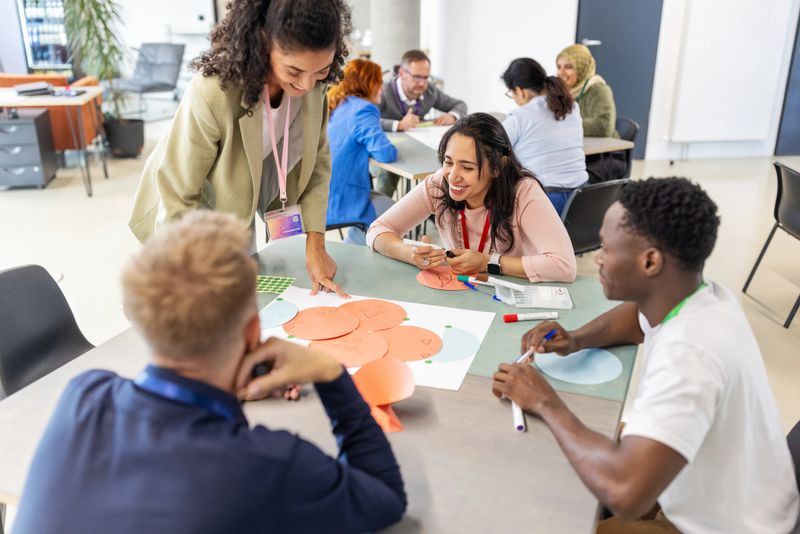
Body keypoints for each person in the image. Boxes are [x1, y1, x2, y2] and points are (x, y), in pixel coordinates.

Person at [13, 211, 407, 534]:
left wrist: (225, 389)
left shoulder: (84, 395)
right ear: (253, 330)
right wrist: (331, 373)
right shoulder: (270, 465)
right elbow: (384, 496)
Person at [492, 178, 800, 533]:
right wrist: (575, 339)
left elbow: (625, 492)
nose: (599, 259)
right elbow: (636, 320)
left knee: (552, 520)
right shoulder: (697, 296)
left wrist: (545, 401)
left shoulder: (689, 355)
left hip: (727, 526)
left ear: (650, 261)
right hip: (723, 490)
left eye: (607, 248)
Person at [129, 0, 351, 297]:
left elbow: (317, 167)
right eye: (294, 71)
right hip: (195, 211)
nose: (307, 85)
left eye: (321, 71)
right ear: (263, 43)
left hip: (241, 196)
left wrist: (316, 245)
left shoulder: (314, 88)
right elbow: (178, 196)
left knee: (246, 290)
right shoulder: (213, 91)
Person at [366, 113, 577, 283]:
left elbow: (564, 266)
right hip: (463, 293)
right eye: (448, 162)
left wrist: (487, 262)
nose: (453, 176)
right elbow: (377, 230)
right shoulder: (440, 183)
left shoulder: (524, 192)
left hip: (511, 295)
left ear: (497, 167)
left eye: (467, 167)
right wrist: (410, 253)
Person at [376, 49, 468, 198]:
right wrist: (397, 124)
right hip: (386, 152)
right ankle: (379, 218)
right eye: (417, 77)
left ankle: (432, 211)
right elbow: (367, 121)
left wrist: (452, 115)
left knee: (442, 167)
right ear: (402, 73)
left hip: (417, 149)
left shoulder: (429, 92)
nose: (422, 83)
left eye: (426, 77)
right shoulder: (384, 91)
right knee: (386, 176)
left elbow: (460, 105)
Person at [501, 57, 588, 215]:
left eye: (511, 94)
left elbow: (491, 150)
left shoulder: (519, 117)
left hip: (546, 202)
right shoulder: (572, 107)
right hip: (583, 200)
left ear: (521, 91)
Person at [326, 58, 397, 245]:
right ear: (369, 84)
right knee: (395, 213)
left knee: (385, 205)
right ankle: (350, 250)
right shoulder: (364, 109)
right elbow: (386, 154)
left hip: (327, 190)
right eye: (379, 82)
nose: (381, 88)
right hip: (342, 198)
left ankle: (352, 246)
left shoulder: (340, 103)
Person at [556, 44, 625, 183]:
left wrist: (566, 126)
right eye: (559, 67)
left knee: (567, 181)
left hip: (605, 158)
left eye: (568, 67)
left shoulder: (598, 89)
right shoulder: (565, 92)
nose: (561, 72)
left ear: (582, 68)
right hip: (580, 154)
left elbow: (604, 126)